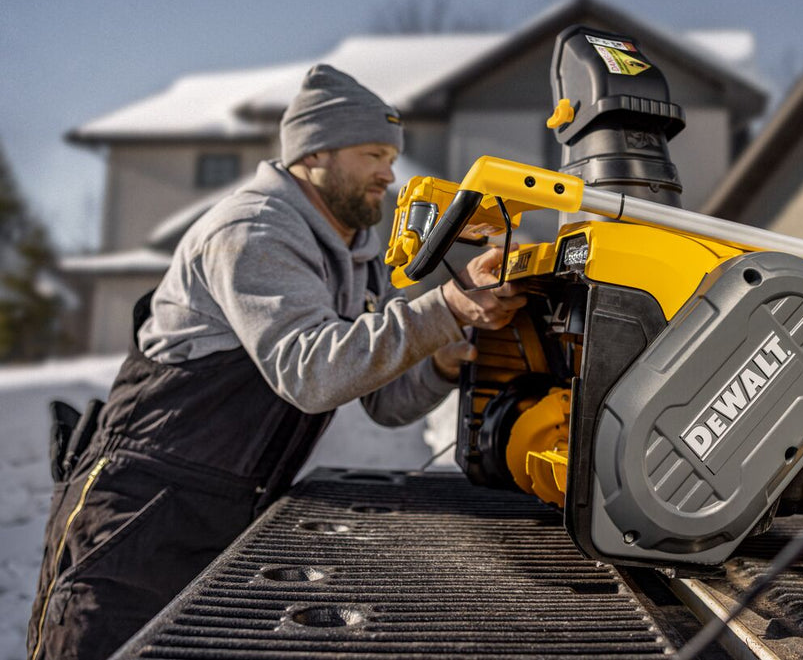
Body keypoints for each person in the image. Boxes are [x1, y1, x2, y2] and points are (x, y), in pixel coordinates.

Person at [27, 64, 525, 660]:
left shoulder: (355, 257)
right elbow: (313, 376)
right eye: (373, 154)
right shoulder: (254, 230)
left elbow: (384, 401)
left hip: (236, 506)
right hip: (142, 508)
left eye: (391, 157)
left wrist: (441, 358)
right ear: (315, 152)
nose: (389, 174)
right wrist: (443, 307)